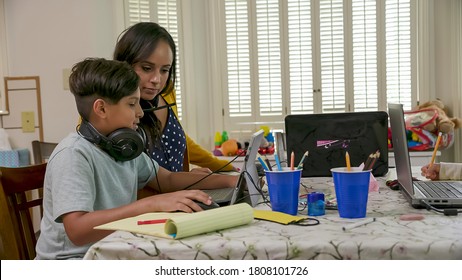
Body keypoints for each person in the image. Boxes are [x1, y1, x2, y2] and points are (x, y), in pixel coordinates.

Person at [35, 58, 237, 259]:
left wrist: (229, 180)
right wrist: (149, 205)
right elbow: (78, 231)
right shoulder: (73, 155)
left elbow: (167, 180)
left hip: (113, 252)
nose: (140, 112)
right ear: (102, 109)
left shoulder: (123, 149)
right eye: (132, 104)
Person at [113, 22, 235, 175]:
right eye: (147, 68)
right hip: (148, 199)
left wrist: (225, 167)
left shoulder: (167, 93)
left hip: (182, 195)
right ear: (125, 63)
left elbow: (178, 140)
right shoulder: (104, 108)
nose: (157, 79)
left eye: (165, 70)